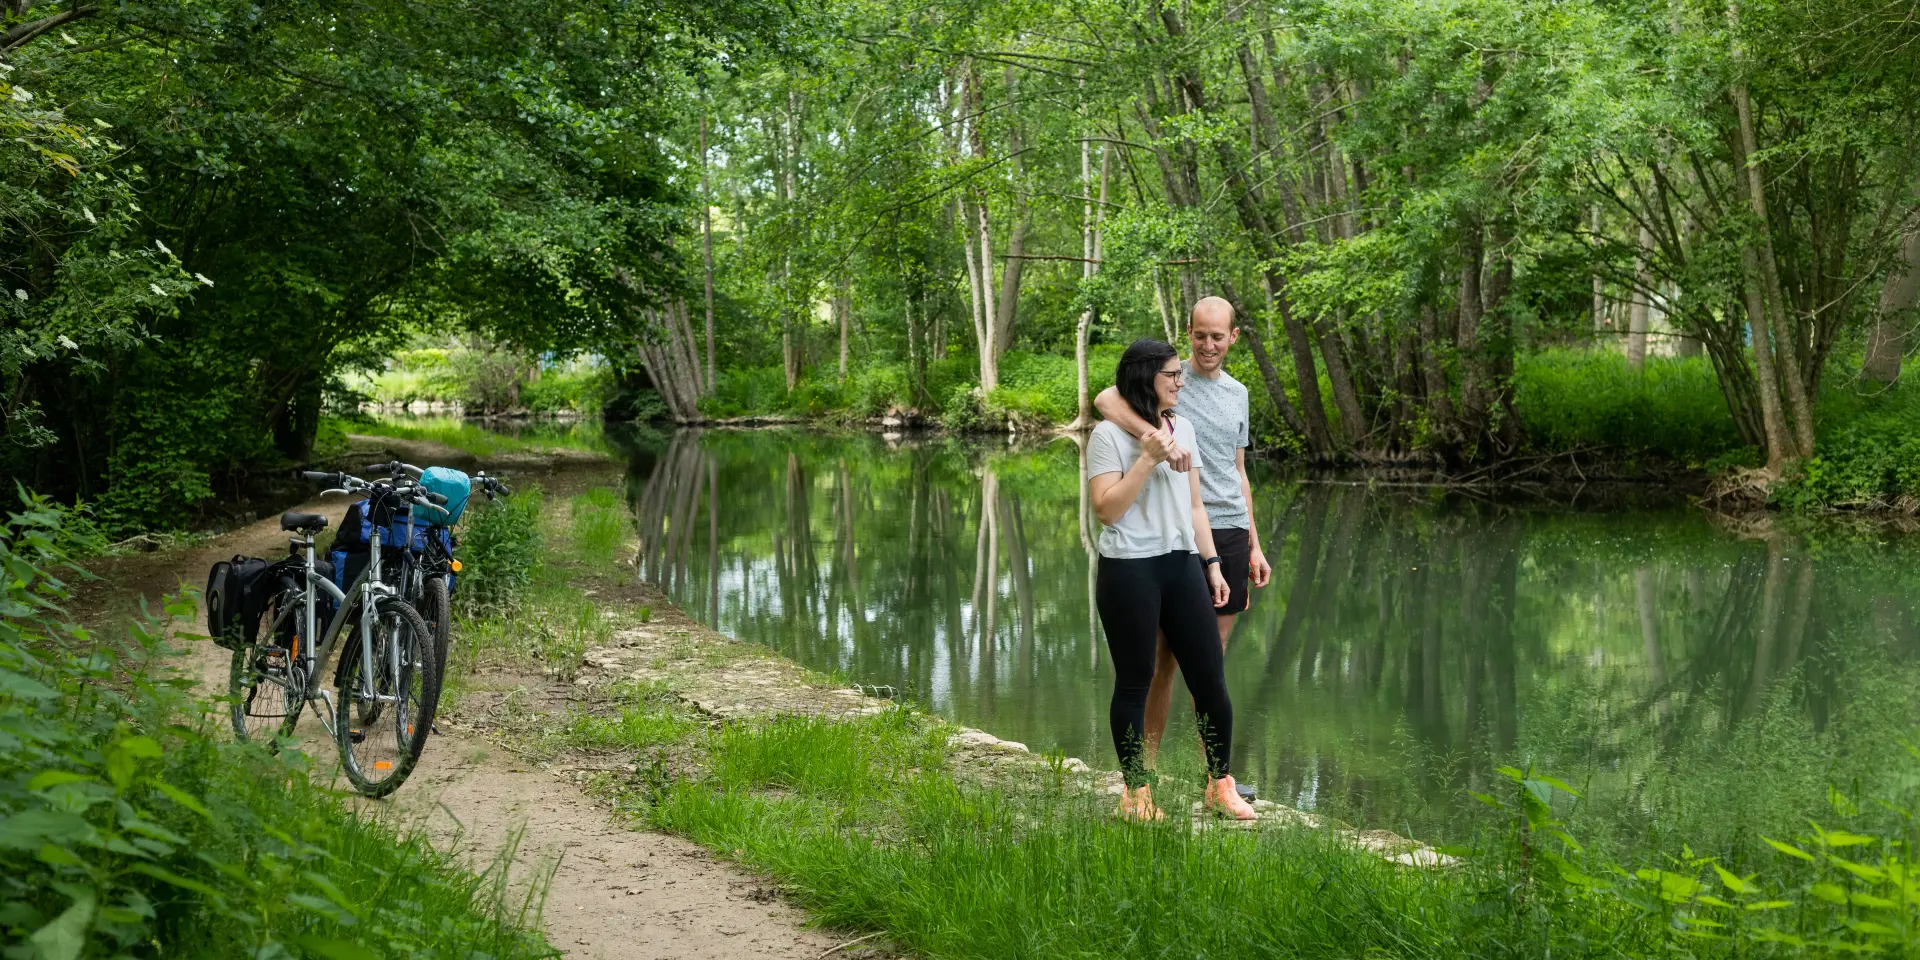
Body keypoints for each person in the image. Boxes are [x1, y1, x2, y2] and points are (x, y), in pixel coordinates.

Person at [1095, 296, 1271, 783]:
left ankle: (1212, 775)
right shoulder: (1168, 379)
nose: (1209, 344)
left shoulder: (1238, 393)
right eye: (1201, 335)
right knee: (1158, 663)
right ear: (1189, 332)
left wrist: (1253, 543)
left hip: (1227, 532)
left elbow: (1238, 472)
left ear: (1233, 338)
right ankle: (1144, 773)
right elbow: (1106, 401)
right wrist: (1161, 443)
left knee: (1209, 662)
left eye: (1219, 336)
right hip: (1169, 535)